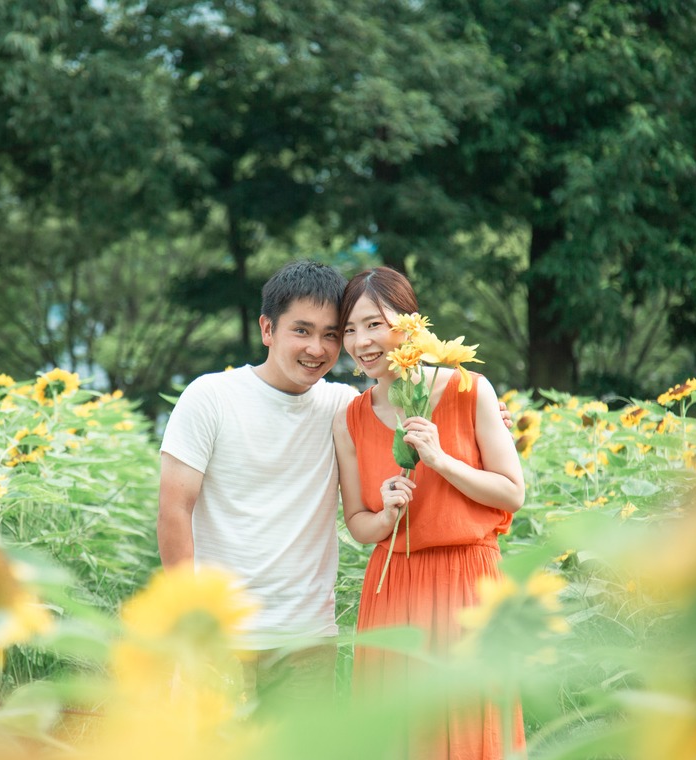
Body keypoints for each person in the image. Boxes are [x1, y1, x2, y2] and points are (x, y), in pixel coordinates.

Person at [157, 260, 513, 711]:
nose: (318, 348)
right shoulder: (210, 397)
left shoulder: (342, 406)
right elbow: (174, 510)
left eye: (330, 334)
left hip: (307, 637)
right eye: (301, 331)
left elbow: (404, 412)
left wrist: (490, 419)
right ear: (267, 328)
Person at [333, 266, 525, 758]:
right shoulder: (349, 418)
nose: (361, 341)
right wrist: (387, 515)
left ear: (410, 323)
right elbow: (358, 522)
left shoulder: (471, 389)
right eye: (350, 329)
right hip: (392, 588)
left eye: (374, 324)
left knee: (468, 729)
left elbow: (511, 493)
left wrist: (440, 461)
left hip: (469, 583)